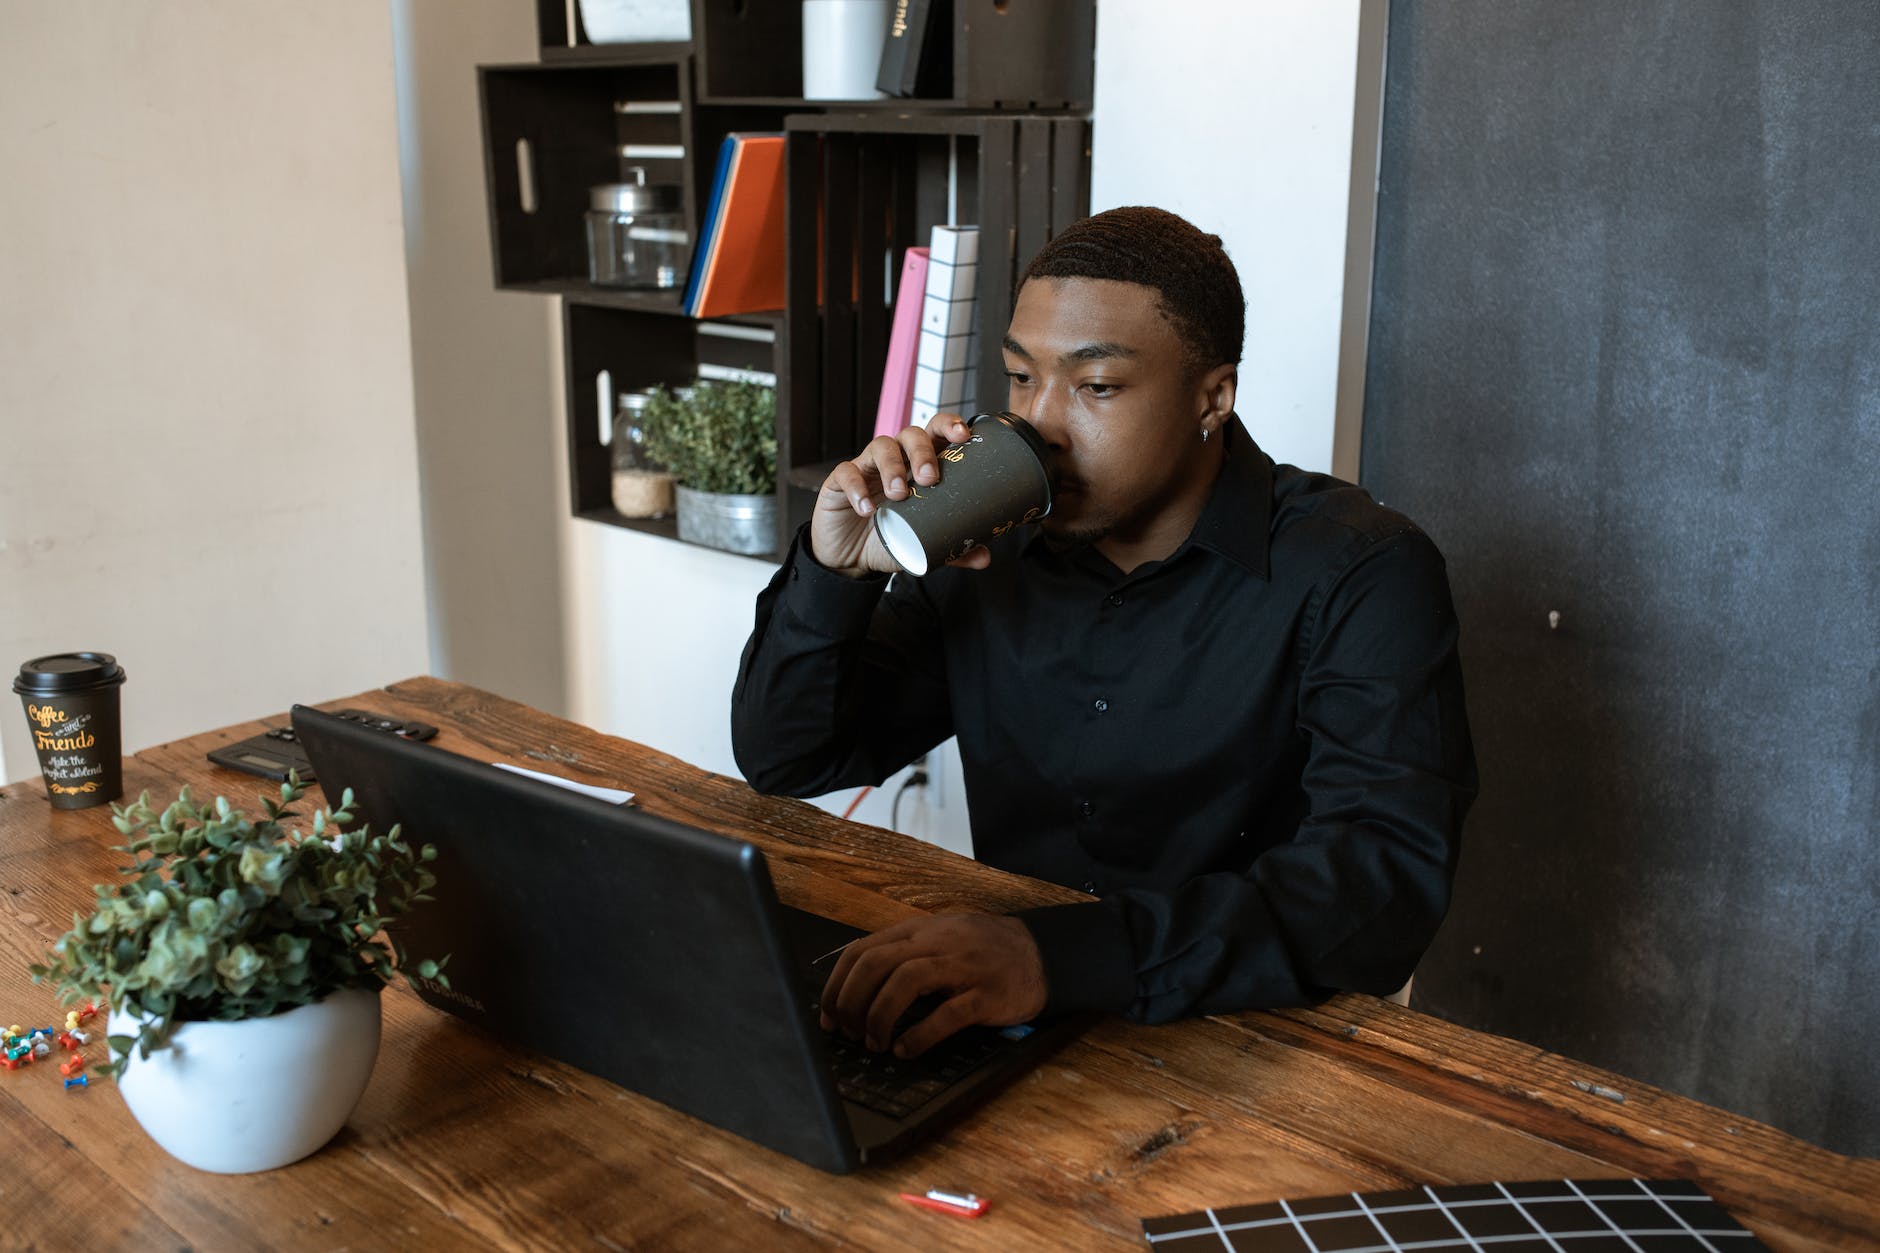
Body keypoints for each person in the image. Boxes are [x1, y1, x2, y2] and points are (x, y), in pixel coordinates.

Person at [731, 205, 1477, 1061]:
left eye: (1095, 386)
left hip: (1255, 1047)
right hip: (1011, 1028)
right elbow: (786, 757)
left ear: (1212, 397)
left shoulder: (1361, 570)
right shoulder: (992, 550)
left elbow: (1378, 890)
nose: (1041, 424)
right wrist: (840, 572)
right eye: (1019, 377)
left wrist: (1059, 955)